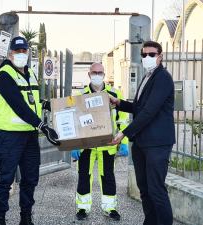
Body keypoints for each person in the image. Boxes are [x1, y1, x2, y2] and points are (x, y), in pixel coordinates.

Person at [0, 36, 60, 225]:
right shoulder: (4, 75)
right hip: (9, 137)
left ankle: (26, 217)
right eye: (17, 51)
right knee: (5, 180)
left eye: (24, 51)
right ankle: (0, 219)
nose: (21, 54)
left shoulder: (30, 72)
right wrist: (42, 126)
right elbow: (19, 105)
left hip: (29, 136)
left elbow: (33, 101)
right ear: (10, 53)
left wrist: (48, 105)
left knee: (30, 179)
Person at [110, 41, 175, 225]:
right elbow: (140, 108)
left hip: (157, 144)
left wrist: (124, 133)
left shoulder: (162, 78)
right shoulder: (147, 77)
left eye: (152, 54)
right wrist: (119, 102)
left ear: (160, 56)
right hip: (142, 143)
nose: (147, 57)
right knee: (144, 189)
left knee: (156, 190)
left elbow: (149, 111)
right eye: (144, 54)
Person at [71, 63, 129, 221]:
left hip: (108, 145)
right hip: (86, 146)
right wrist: (73, 144)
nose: (97, 75)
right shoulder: (81, 95)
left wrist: (124, 141)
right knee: (84, 176)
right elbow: (75, 122)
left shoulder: (115, 94)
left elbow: (122, 119)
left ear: (104, 74)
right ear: (89, 75)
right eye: (94, 72)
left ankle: (110, 208)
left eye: (100, 72)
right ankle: (83, 207)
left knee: (108, 177)